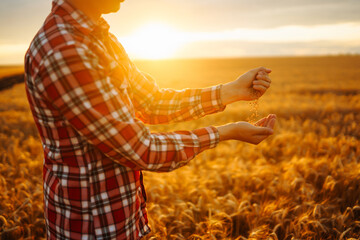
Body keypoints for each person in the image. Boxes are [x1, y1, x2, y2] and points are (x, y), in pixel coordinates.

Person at [24, 0, 276, 239]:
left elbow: (150, 102)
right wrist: (226, 132)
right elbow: (140, 149)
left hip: (119, 215)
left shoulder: (99, 38)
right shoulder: (66, 50)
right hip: (90, 226)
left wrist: (232, 90)